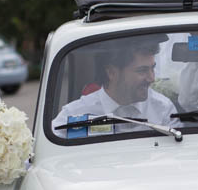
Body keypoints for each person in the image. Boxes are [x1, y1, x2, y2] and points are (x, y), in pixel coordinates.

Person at [51, 37, 179, 138]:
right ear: (112, 72)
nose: (151, 78)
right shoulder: (75, 114)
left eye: (152, 68)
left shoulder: (163, 110)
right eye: (142, 71)